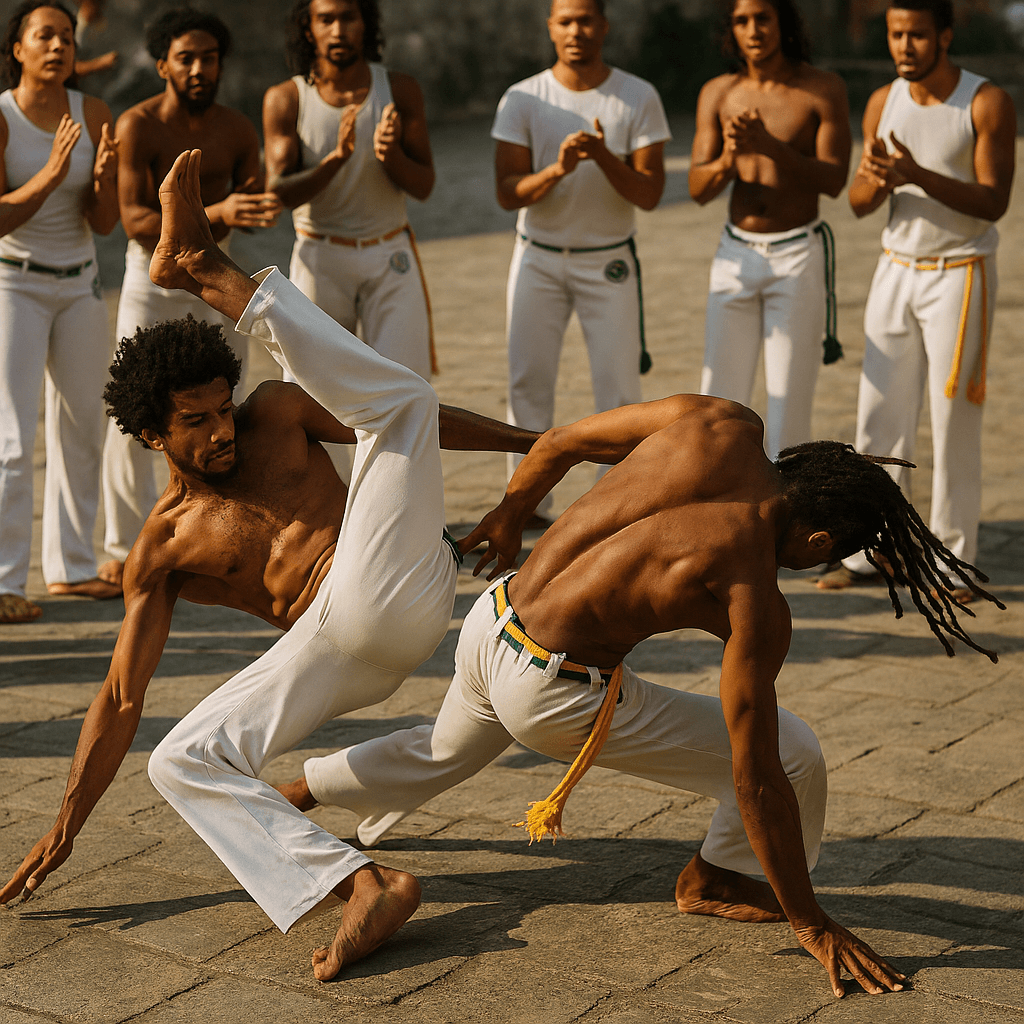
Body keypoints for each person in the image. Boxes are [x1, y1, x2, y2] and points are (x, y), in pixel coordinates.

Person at [0, 148, 542, 980]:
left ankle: (201, 269)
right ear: (154, 434)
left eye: (223, 407)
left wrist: (539, 453)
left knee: (398, 404)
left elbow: (412, 424)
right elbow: (120, 694)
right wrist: (68, 824)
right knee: (181, 761)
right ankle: (361, 886)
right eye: (197, 422)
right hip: (340, 653)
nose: (222, 431)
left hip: (401, 575)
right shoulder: (164, 546)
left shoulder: (279, 415)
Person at [275, 399, 1003, 998]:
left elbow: (558, 442)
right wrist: (808, 920)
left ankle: (303, 789)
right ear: (817, 538)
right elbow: (755, 773)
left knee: (446, 747)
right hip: (550, 694)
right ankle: (715, 876)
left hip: (491, 618)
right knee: (797, 752)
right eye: (829, 555)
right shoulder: (754, 593)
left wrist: (507, 514)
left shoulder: (719, 423)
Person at [816, 0, 1016, 598]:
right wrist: (879, 179)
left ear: (945, 36)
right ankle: (876, 550)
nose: (905, 46)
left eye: (918, 35)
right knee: (878, 413)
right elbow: (856, 202)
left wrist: (916, 174)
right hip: (895, 267)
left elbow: (993, 201)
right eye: (896, 35)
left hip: (961, 270)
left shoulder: (984, 102)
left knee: (954, 415)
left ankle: (956, 560)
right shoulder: (883, 100)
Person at [99, 8, 281, 587]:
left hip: (213, 279)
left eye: (209, 58)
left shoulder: (235, 128)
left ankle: (228, 533)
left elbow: (256, 187)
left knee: (227, 407)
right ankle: (123, 546)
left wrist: (257, 200)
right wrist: (217, 212)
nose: (199, 68)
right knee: (134, 415)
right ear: (162, 66)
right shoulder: (138, 126)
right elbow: (132, 220)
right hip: (151, 281)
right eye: (186, 58)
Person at [493, 0, 670, 525]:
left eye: (586, 19)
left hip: (608, 261)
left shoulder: (637, 95)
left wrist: (603, 156)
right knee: (527, 382)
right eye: (565, 20)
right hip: (538, 258)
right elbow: (507, 192)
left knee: (617, 389)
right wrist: (559, 169)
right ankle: (525, 502)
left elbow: (651, 192)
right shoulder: (523, 97)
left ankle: (614, 506)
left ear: (605, 25)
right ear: (550, 27)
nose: (576, 30)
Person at [0, 0, 120, 624]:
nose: (59, 46)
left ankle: (72, 569)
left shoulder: (92, 112)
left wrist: (101, 179)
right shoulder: (2, 116)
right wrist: (49, 175)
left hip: (79, 285)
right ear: (17, 48)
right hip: (13, 285)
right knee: (14, 439)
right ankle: (3, 580)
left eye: (67, 37)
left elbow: (105, 223)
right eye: (44, 36)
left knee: (82, 426)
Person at [689, 0, 850, 460]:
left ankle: (786, 517)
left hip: (796, 253)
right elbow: (698, 188)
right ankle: (716, 505)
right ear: (731, 30)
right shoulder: (719, 93)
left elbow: (835, 180)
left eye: (763, 18)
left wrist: (770, 147)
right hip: (735, 253)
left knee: (788, 400)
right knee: (718, 397)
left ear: (783, 22)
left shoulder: (821, 89)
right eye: (742, 21)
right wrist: (728, 158)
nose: (753, 29)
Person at [263, 0, 435, 379]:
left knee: (404, 385)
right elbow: (278, 193)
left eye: (348, 18)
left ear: (365, 24)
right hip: (320, 256)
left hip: (390, 255)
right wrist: (335, 161)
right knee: (313, 391)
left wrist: (391, 157)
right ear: (309, 29)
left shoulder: (400, 90)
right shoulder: (287, 99)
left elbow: (424, 185)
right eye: (326, 19)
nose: (338, 30)